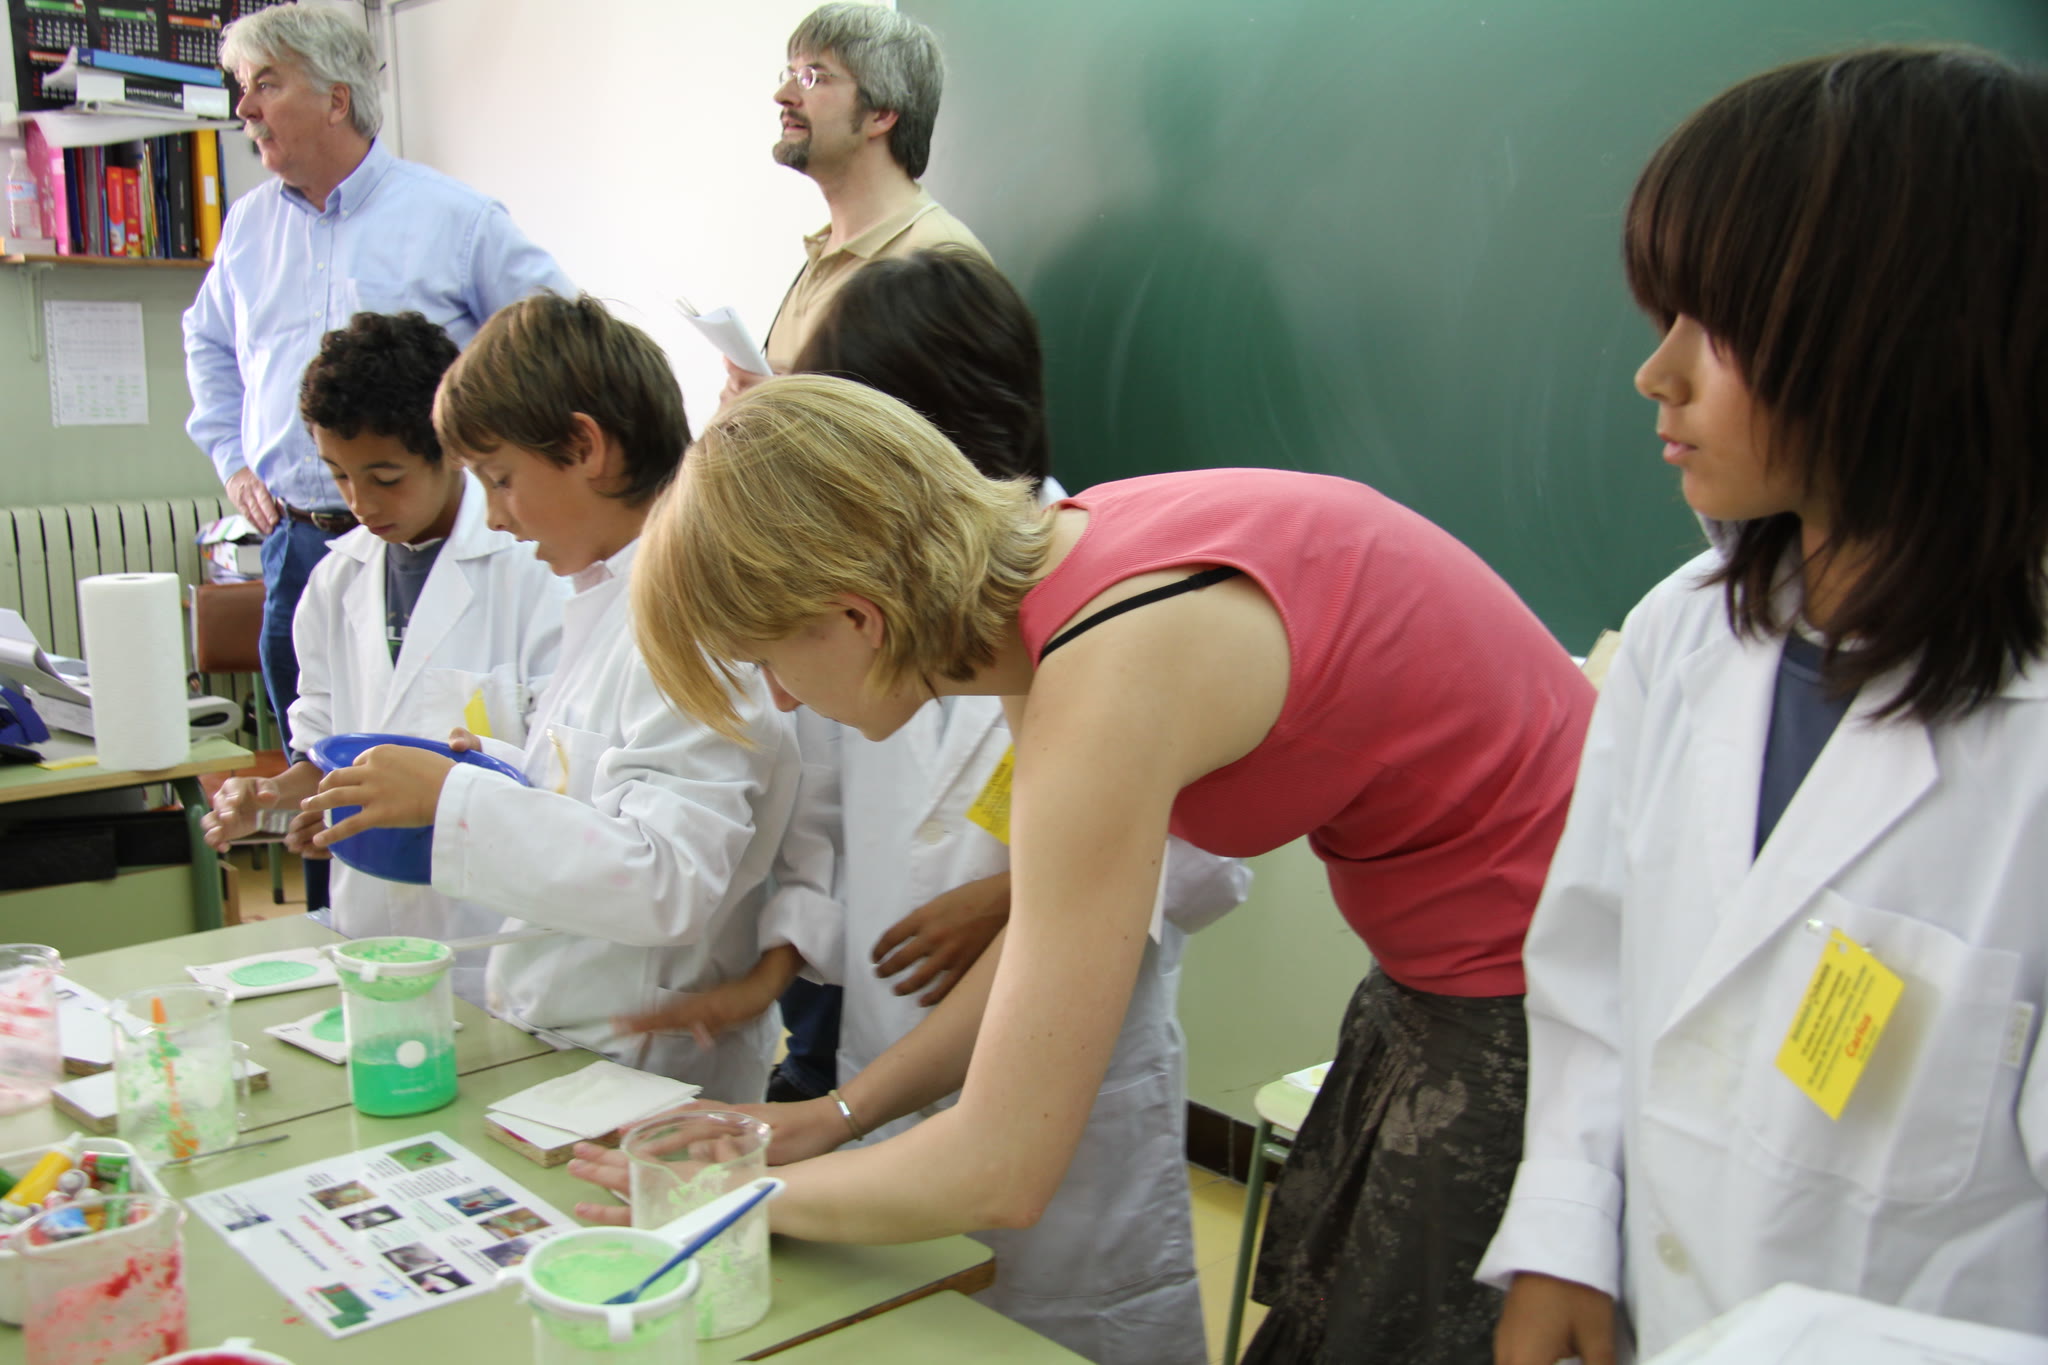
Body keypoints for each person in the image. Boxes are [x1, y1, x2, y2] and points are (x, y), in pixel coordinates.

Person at [608, 372, 1595, 1361]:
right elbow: (1037, 943)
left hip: (1542, 991)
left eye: (768, 660)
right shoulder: (1053, 585)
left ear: (857, 617)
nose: (781, 699)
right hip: (1451, 966)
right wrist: (834, 1115)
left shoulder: (1106, 670)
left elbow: (1001, 1168)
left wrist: (721, 1202)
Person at [1480, 46, 2048, 1362]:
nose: (1656, 374)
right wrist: (1566, 1232)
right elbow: (1594, 970)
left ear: (1908, 337)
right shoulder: (1683, 636)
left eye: (1715, 324)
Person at [589, 248, 1251, 1364]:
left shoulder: (1108, 617)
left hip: (1066, 1101)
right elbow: (823, 815)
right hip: (892, 1045)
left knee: (1060, 1329)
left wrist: (1016, 891)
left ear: (917, 442)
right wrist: (781, 1002)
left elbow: (1199, 859)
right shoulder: (858, 619)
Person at [300, 294, 835, 1100]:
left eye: (501, 480)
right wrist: (499, 767)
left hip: (648, 1069)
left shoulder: (688, 619)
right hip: (574, 1041)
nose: (494, 516)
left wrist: (456, 801)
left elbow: (671, 878)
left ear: (585, 447)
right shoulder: (609, 596)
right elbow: (613, 784)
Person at [183, 3, 571, 911]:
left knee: (478, 741)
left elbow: (555, 342)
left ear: (336, 97)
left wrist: (496, 463)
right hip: (299, 540)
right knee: (328, 773)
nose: (245, 109)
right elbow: (206, 346)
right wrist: (233, 458)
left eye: (266, 85)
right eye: (242, 88)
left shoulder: (454, 219)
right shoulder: (247, 229)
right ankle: (343, 930)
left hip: (460, 528)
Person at [199, 310, 565, 1006]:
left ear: (451, 450)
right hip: (369, 930)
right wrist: (274, 798)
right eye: (338, 476)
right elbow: (324, 748)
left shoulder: (534, 572)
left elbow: (559, 778)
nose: (360, 503)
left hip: (491, 935)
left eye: (386, 477)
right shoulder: (335, 582)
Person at [726, 3, 986, 404]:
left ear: (881, 112)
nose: (783, 95)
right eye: (790, 74)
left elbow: (948, 438)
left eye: (811, 77)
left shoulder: (942, 262)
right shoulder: (822, 254)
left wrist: (780, 411)